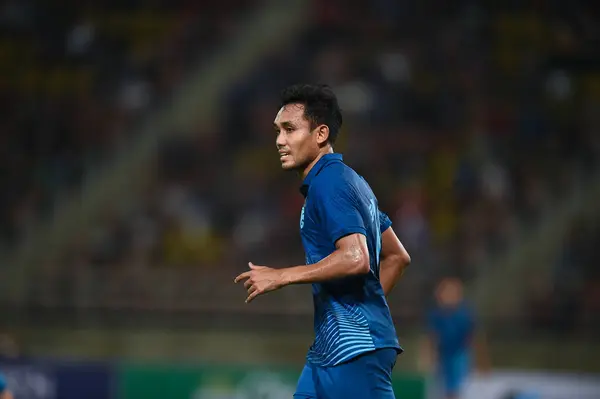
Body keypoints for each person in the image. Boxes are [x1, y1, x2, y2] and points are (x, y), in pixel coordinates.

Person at [234, 83, 411, 399]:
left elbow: (356, 257)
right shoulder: (352, 183)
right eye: (277, 130)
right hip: (332, 348)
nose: (279, 140)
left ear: (320, 134)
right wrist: (357, 312)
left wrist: (282, 276)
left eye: (289, 129)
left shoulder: (329, 184)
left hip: (353, 352)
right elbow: (397, 257)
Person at [420, 277, 489, 399]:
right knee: (442, 387)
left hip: (460, 355)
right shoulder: (436, 315)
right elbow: (431, 338)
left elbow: (475, 338)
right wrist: (427, 358)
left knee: (458, 388)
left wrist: (481, 362)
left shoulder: (465, 314)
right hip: (443, 356)